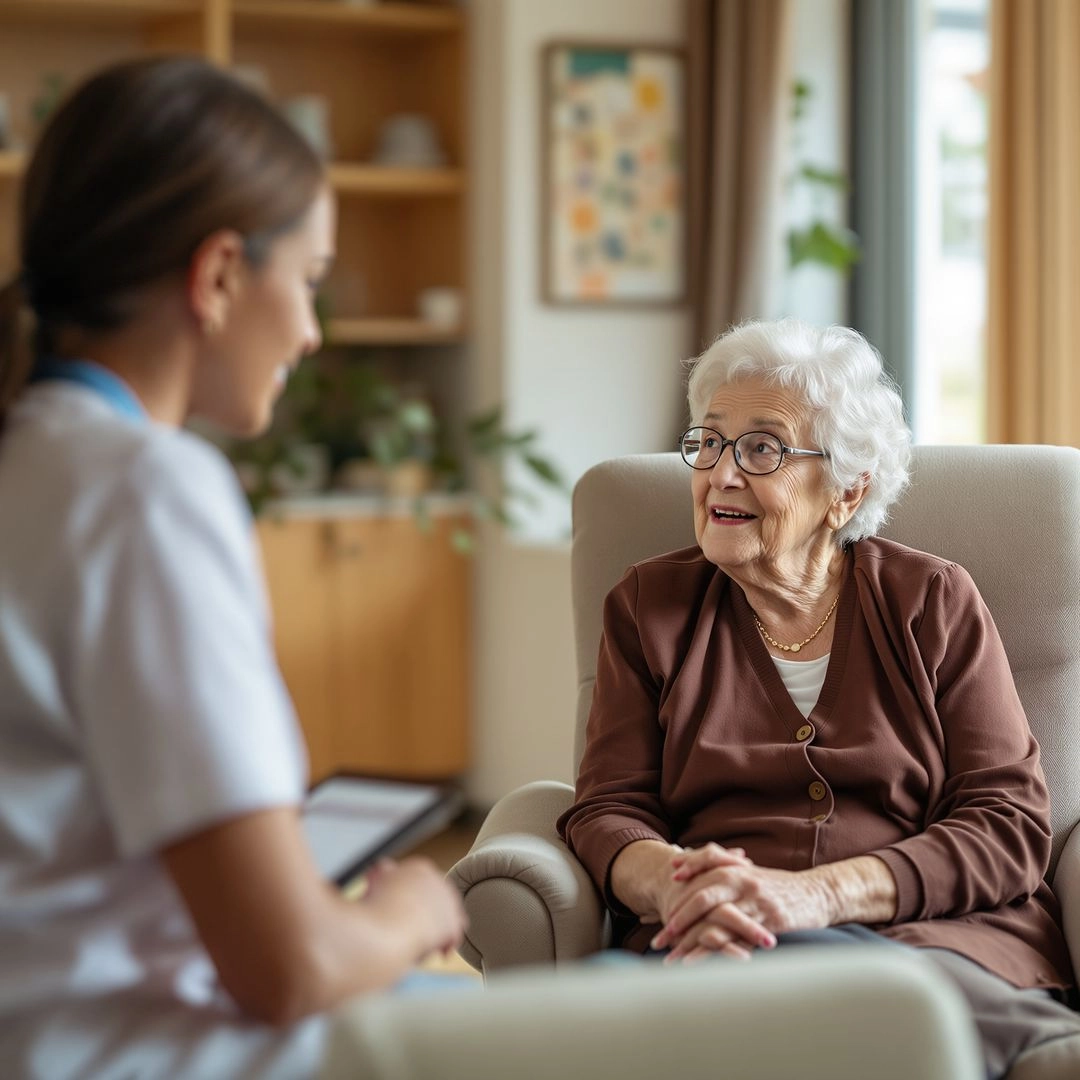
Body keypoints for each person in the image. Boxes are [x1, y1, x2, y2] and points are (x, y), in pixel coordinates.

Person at [0, 57, 467, 1079]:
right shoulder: (144, 489)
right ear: (215, 278)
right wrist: (411, 907)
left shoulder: (38, 460)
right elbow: (289, 967)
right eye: (305, 283)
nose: (308, 331)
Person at [558, 319, 1080, 1079]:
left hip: (928, 942)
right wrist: (683, 891)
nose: (721, 475)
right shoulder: (649, 605)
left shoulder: (931, 601)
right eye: (709, 442)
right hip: (722, 945)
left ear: (847, 490)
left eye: (762, 448)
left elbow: (1008, 828)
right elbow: (609, 810)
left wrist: (812, 898)